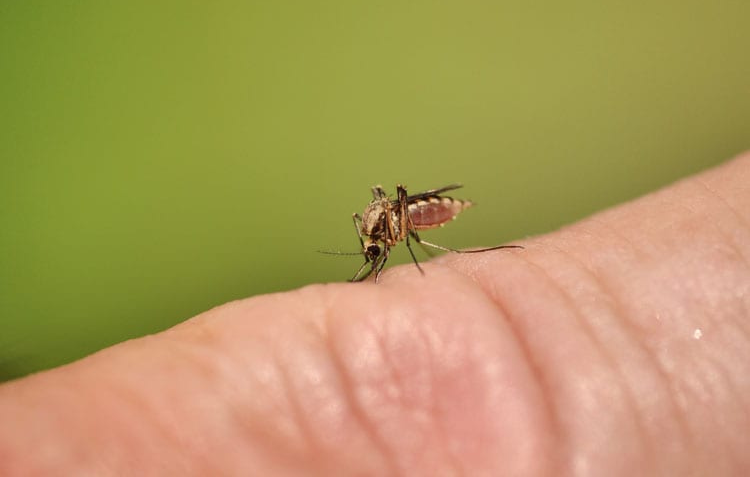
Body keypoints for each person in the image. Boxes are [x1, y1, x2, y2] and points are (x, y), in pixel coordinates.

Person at [1, 153, 748, 476]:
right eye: (380, 244)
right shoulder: (375, 234)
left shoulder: (396, 221)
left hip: (420, 208)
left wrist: (412, 226)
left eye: (378, 246)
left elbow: (388, 212)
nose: (374, 250)